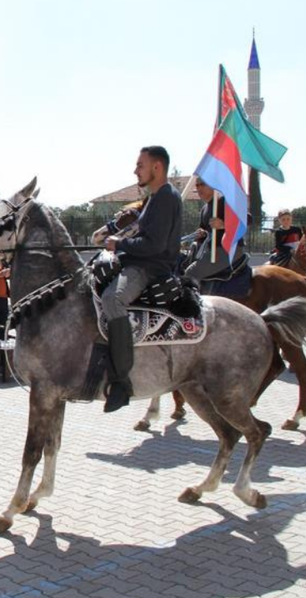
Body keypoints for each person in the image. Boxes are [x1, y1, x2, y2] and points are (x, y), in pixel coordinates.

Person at [101, 146, 182, 413]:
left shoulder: (166, 197)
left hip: (149, 268)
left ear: (157, 167)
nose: (135, 170)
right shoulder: (157, 197)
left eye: (140, 165)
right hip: (138, 262)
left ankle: (121, 382)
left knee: (112, 299)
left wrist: (120, 243)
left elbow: (154, 245)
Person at [184, 177, 245, 283]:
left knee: (191, 272)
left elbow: (246, 219)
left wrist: (223, 225)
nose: (199, 188)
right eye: (197, 186)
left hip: (228, 251)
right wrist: (200, 234)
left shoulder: (224, 202)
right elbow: (203, 231)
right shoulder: (204, 209)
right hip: (212, 251)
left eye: (202, 184)